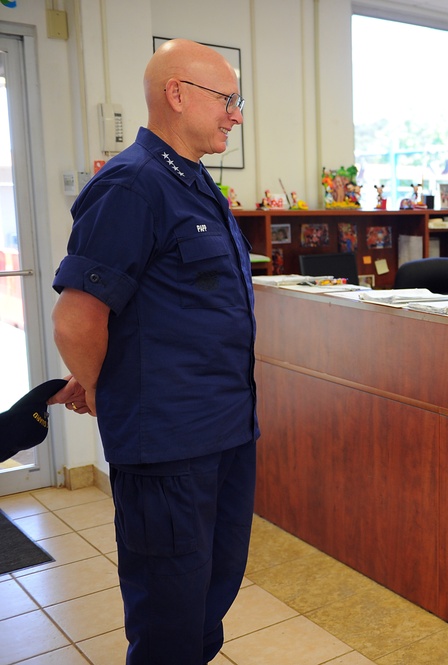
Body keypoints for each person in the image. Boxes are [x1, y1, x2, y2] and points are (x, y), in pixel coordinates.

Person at [50, 39, 257, 665]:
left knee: (209, 597)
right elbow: (77, 317)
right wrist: (103, 386)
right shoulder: (133, 185)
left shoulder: (194, 183)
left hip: (224, 430)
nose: (235, 115)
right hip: (168, 444)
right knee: (169, 612)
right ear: (177, 94)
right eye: (228, 100)